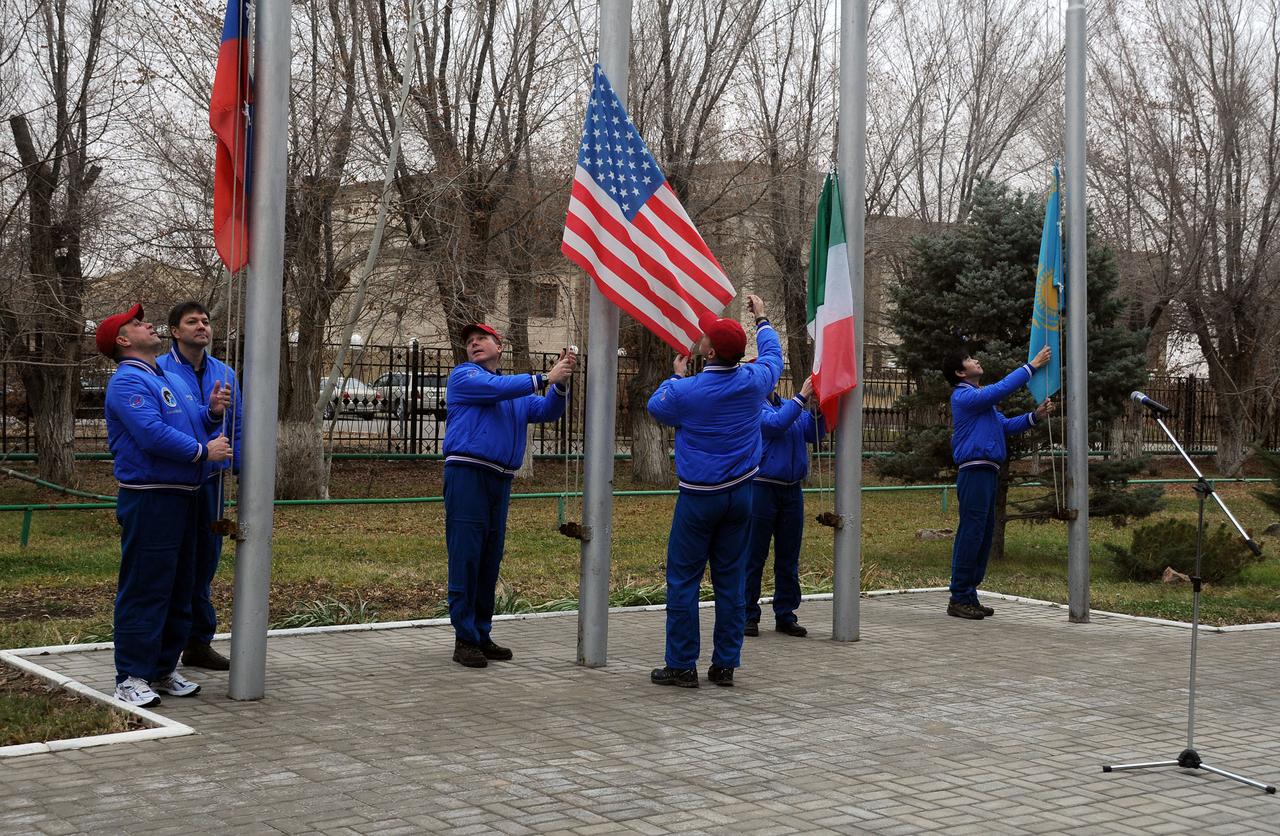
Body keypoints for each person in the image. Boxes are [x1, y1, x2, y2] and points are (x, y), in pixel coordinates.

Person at [99, 304, 233, 706]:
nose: (148, 324)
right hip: (152, 496)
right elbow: (152, 434)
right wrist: (201, 451)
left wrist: (211, 413)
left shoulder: (165, 377)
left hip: (185, 496)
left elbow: (192, 420)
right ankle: (131, 675)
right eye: (137, 324)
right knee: (147, 585)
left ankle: (162, 668)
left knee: (181, 584)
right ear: (123, 341)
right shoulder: (127, 382)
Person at [647, 295, 783, 688]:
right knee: (731, 580)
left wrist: (675, 377)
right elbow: (773, 354)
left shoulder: (688, 391)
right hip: (742, 495)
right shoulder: (756, 381)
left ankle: (681, 664)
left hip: (698, 498)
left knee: (684, 580)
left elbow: (657, 407)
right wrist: (762, 317)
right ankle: (725, 664)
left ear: (707, 350)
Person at [442, 323, 577, 668]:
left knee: (489, 558)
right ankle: (464, 639)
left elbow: (546, 411)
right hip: (468, 474)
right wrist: (544, 378)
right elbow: (495, 387)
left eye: (481, 339)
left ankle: (480, 634)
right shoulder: (464, 376)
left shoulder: (511, 391)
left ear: (499, 347)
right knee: (467, 556)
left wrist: (559, 385)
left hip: (499, 480)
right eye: (470, 342)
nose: (474, 345)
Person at [157, 300, 242, 671]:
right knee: (173, 562)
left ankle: (198, 641)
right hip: (174, 483)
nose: (202, 327)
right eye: (192, 321)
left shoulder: (225, 373)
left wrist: (236, 464)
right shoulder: (158, 370)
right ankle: (164, 645)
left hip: (211, 483)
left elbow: (236, 425)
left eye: (205, 321)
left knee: (205, 560)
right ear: (175, 331)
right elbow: (169, 427)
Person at [942, 346, 1053, 620]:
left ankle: (969, 594)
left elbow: (1004, 425)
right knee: (972, 532)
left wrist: (1035, 416)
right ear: (960, 372)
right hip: (974, 471)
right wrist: (1032, 366)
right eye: (969, 359)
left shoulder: (982, 403)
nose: (976, 360)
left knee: (983, 533)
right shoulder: (964, 395)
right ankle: (959, 596)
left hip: (987, 471)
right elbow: (1000, 389)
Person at [744, 374, 823, 639]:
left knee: (789, 557)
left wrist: (817, 411)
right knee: (754, 555)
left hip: (792, 491)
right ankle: (747, 614)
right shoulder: (753, 408)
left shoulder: (789, 405)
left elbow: (813, 433)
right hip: (762, 488)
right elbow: (776, 425)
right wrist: (801, 398)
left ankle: (786, 614)